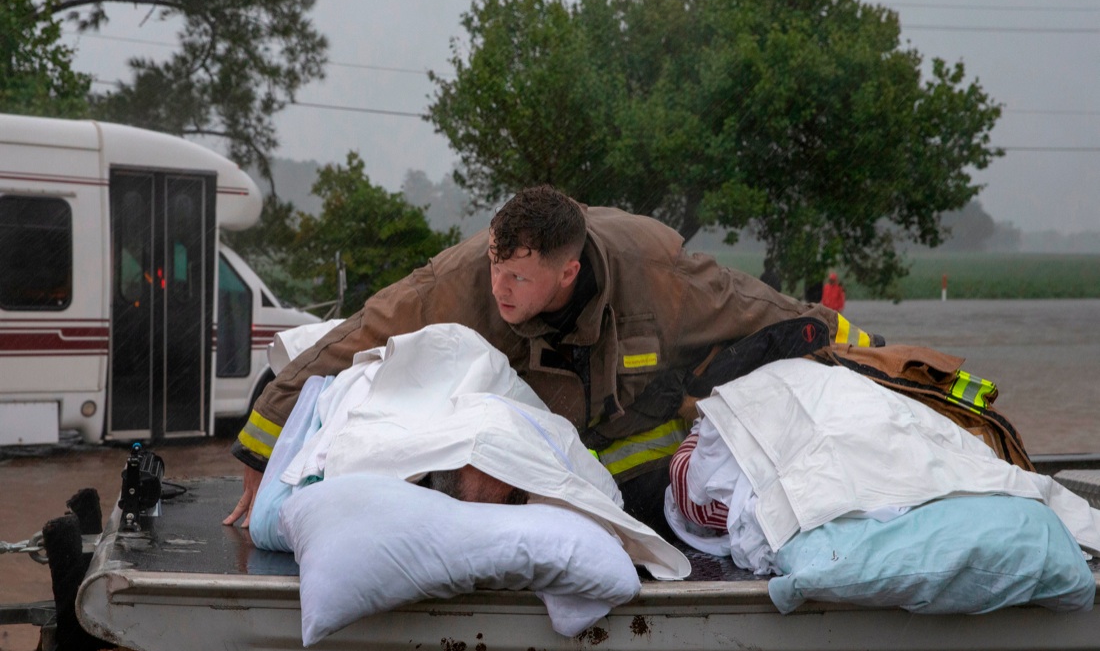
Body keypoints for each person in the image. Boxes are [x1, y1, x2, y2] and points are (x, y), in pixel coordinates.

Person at [224, 185, 880, 534]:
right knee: (471, 490)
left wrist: (873, 362)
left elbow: (768, 312)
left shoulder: (656, 273)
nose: (500, 290)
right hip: (523, 464)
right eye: (496, 268)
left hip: (634, 463)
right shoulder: (462, 282)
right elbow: (346, 341)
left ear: (568, 272)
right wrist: (259, 453)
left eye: (519, 278)